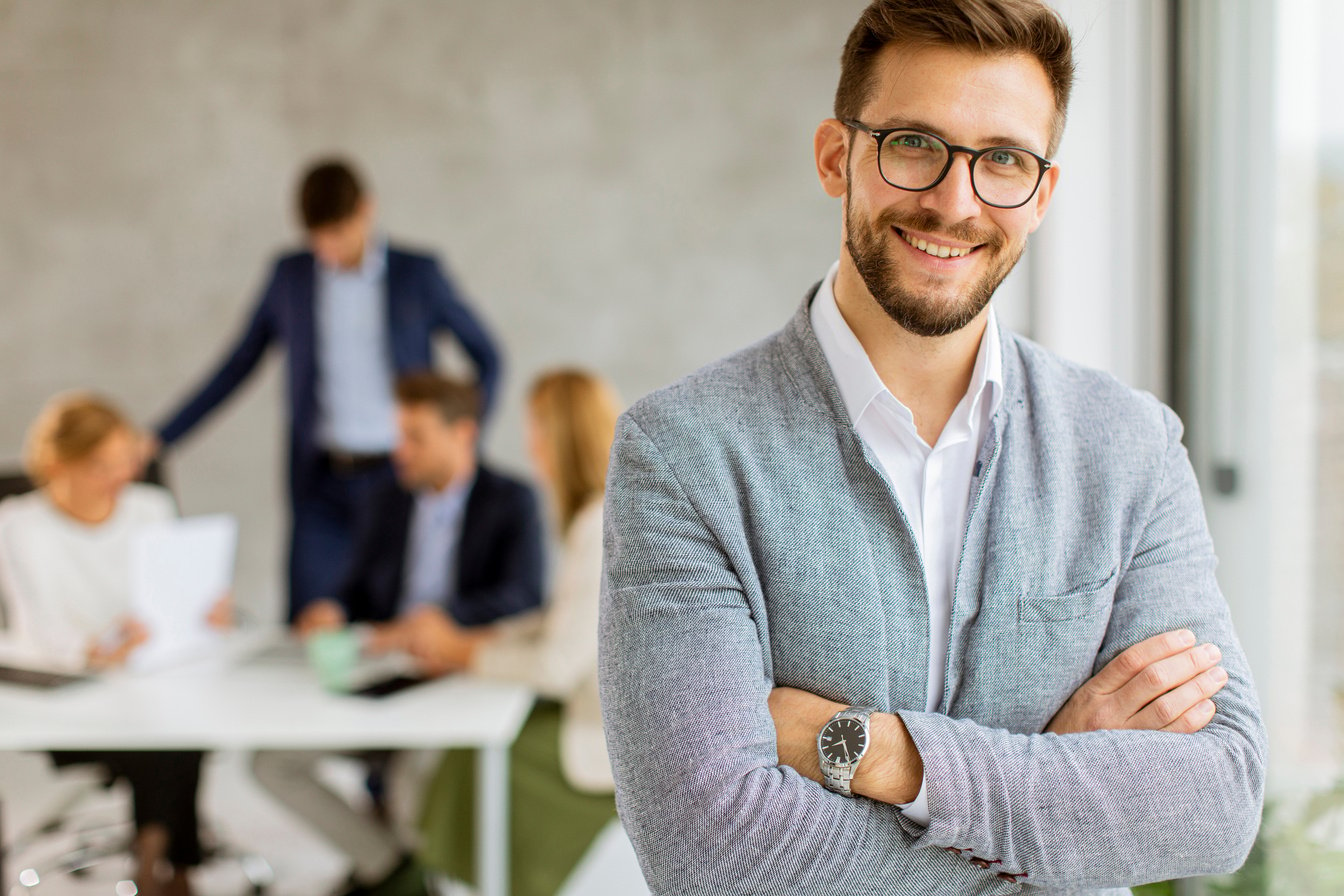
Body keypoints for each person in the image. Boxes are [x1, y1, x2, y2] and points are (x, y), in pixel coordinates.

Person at [598, 2, 1267, 894]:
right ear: (839, 157)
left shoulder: (1130, 447)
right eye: (914, 143)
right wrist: (1052, 775)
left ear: (1042, 194)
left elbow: (1217, 803)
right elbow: (715, 855)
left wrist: (887, 757)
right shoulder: (683, 457)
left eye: (1003, 160)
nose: (955, 203)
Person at [153, 158, 502, 621]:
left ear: (366, 210)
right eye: (318, 237)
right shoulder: (290, 277)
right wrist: (161, 439)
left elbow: (488, 356)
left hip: (398, 478)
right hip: (321, 480)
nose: (330, 248)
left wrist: (461, 442)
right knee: (313, 619)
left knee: (388, 619)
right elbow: (237, 366)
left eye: (339, 231)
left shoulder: (417, 274)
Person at [251, 372, 544, 896]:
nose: (399, 451)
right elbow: (355, 589)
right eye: (398, 435)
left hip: (457, 676)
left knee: (416, 786)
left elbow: (524, 597)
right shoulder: (386, 501)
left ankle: (399, 871)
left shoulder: (512, 501)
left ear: (463, 434)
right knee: (271, 762)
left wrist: (437, 621)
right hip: (380, 671)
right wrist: (332, 609)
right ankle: (389, 870)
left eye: (416, 437)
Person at [0, 394, 228, 896]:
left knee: (176, 730)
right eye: (102, 466)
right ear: (58, 465)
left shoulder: (150, 507)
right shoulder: (18, 525)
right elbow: (39, 633)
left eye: (127, 462)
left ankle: (159, 864)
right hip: (68, 696)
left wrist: (204, 612)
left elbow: (171, 600)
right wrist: (100, 649)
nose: (121, 478)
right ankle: (165, 871)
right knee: (165, 743)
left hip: (148, 683)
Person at [414, 368, 621, 896]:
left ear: (560, 438)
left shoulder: (597, 525)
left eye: (537, 429)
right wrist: (479, 642)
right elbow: (559, 621)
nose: (530, 444)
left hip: (600, 739)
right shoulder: (604, 515)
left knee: (475, 755)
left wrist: (461, 653)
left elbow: (556, 667)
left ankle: (453, 878)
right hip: (593, 710)